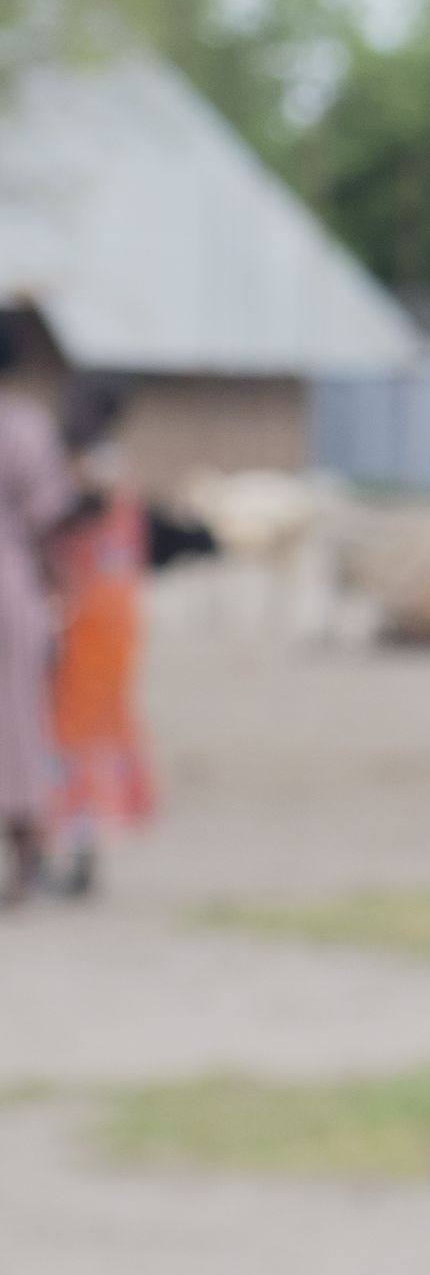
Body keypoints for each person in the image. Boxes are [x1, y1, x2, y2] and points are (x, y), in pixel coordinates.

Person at [43, 378, 155, 897]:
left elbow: (70, 516)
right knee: (79, 735)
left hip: (94, 618)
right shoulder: (99, 464)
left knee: (75, 738)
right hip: (97, 615)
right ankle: (71, 853)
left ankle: (76, 854)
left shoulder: (97, 469)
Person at [0, 317, 76, 906]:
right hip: (10, 588)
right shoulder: (26, 426)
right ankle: (27, 862)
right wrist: (60, 593)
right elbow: (50, 520)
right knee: (19, 723)